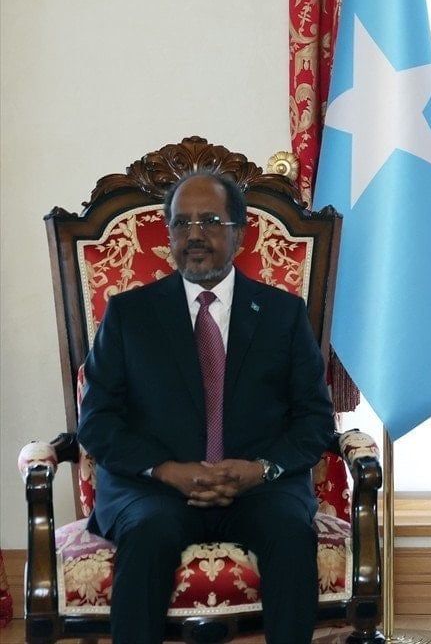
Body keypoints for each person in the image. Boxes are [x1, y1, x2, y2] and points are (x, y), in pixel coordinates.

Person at [77, 169, 336, 643]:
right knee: (148, 532)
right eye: (182, 223)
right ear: (169, 234)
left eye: (211, 221)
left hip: (257, 484)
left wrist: (260, 469)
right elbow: (97, 421)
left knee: (289, 532)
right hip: (153, 487)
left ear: (239, 232)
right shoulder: (129, 315)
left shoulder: (282, 314)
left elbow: (314, 419)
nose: (194, 234)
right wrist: (165, 470)